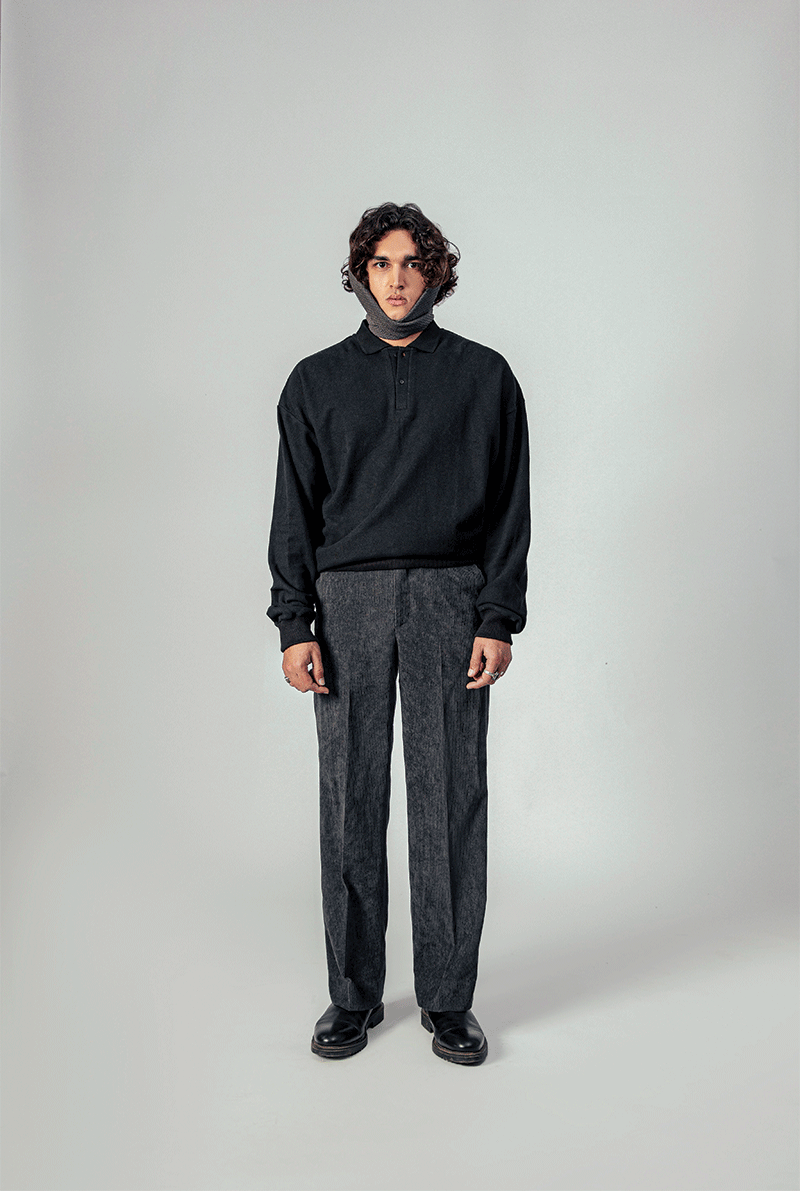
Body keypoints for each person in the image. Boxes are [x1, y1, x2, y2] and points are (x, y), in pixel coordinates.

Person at [267, 202, 530, 1066]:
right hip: (346, 602)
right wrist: (294, 622)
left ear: (436, 273)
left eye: (413, 261)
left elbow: (510, 510)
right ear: (359, 273)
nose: (397, 277)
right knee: (350, 798)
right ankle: (352, 994)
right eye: (381, 262)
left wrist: (497, 616)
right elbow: (294, 513)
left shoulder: (485, 378)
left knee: (450, 796)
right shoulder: (314, 382)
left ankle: (448, 998)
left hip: (451, 597)